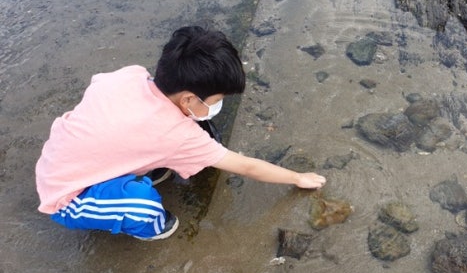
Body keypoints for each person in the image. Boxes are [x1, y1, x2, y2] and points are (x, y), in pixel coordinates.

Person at [35, 26, 326, 241]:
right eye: (215, 100)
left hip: (60, 155)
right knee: (143, 205)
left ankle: (127, 176)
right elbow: (245, 165)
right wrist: (297, 177)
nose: (217, 106)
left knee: (148, 145)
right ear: (188, 99)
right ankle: (153, 227)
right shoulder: (177, 136)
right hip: (65, 195)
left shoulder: (130, 75)